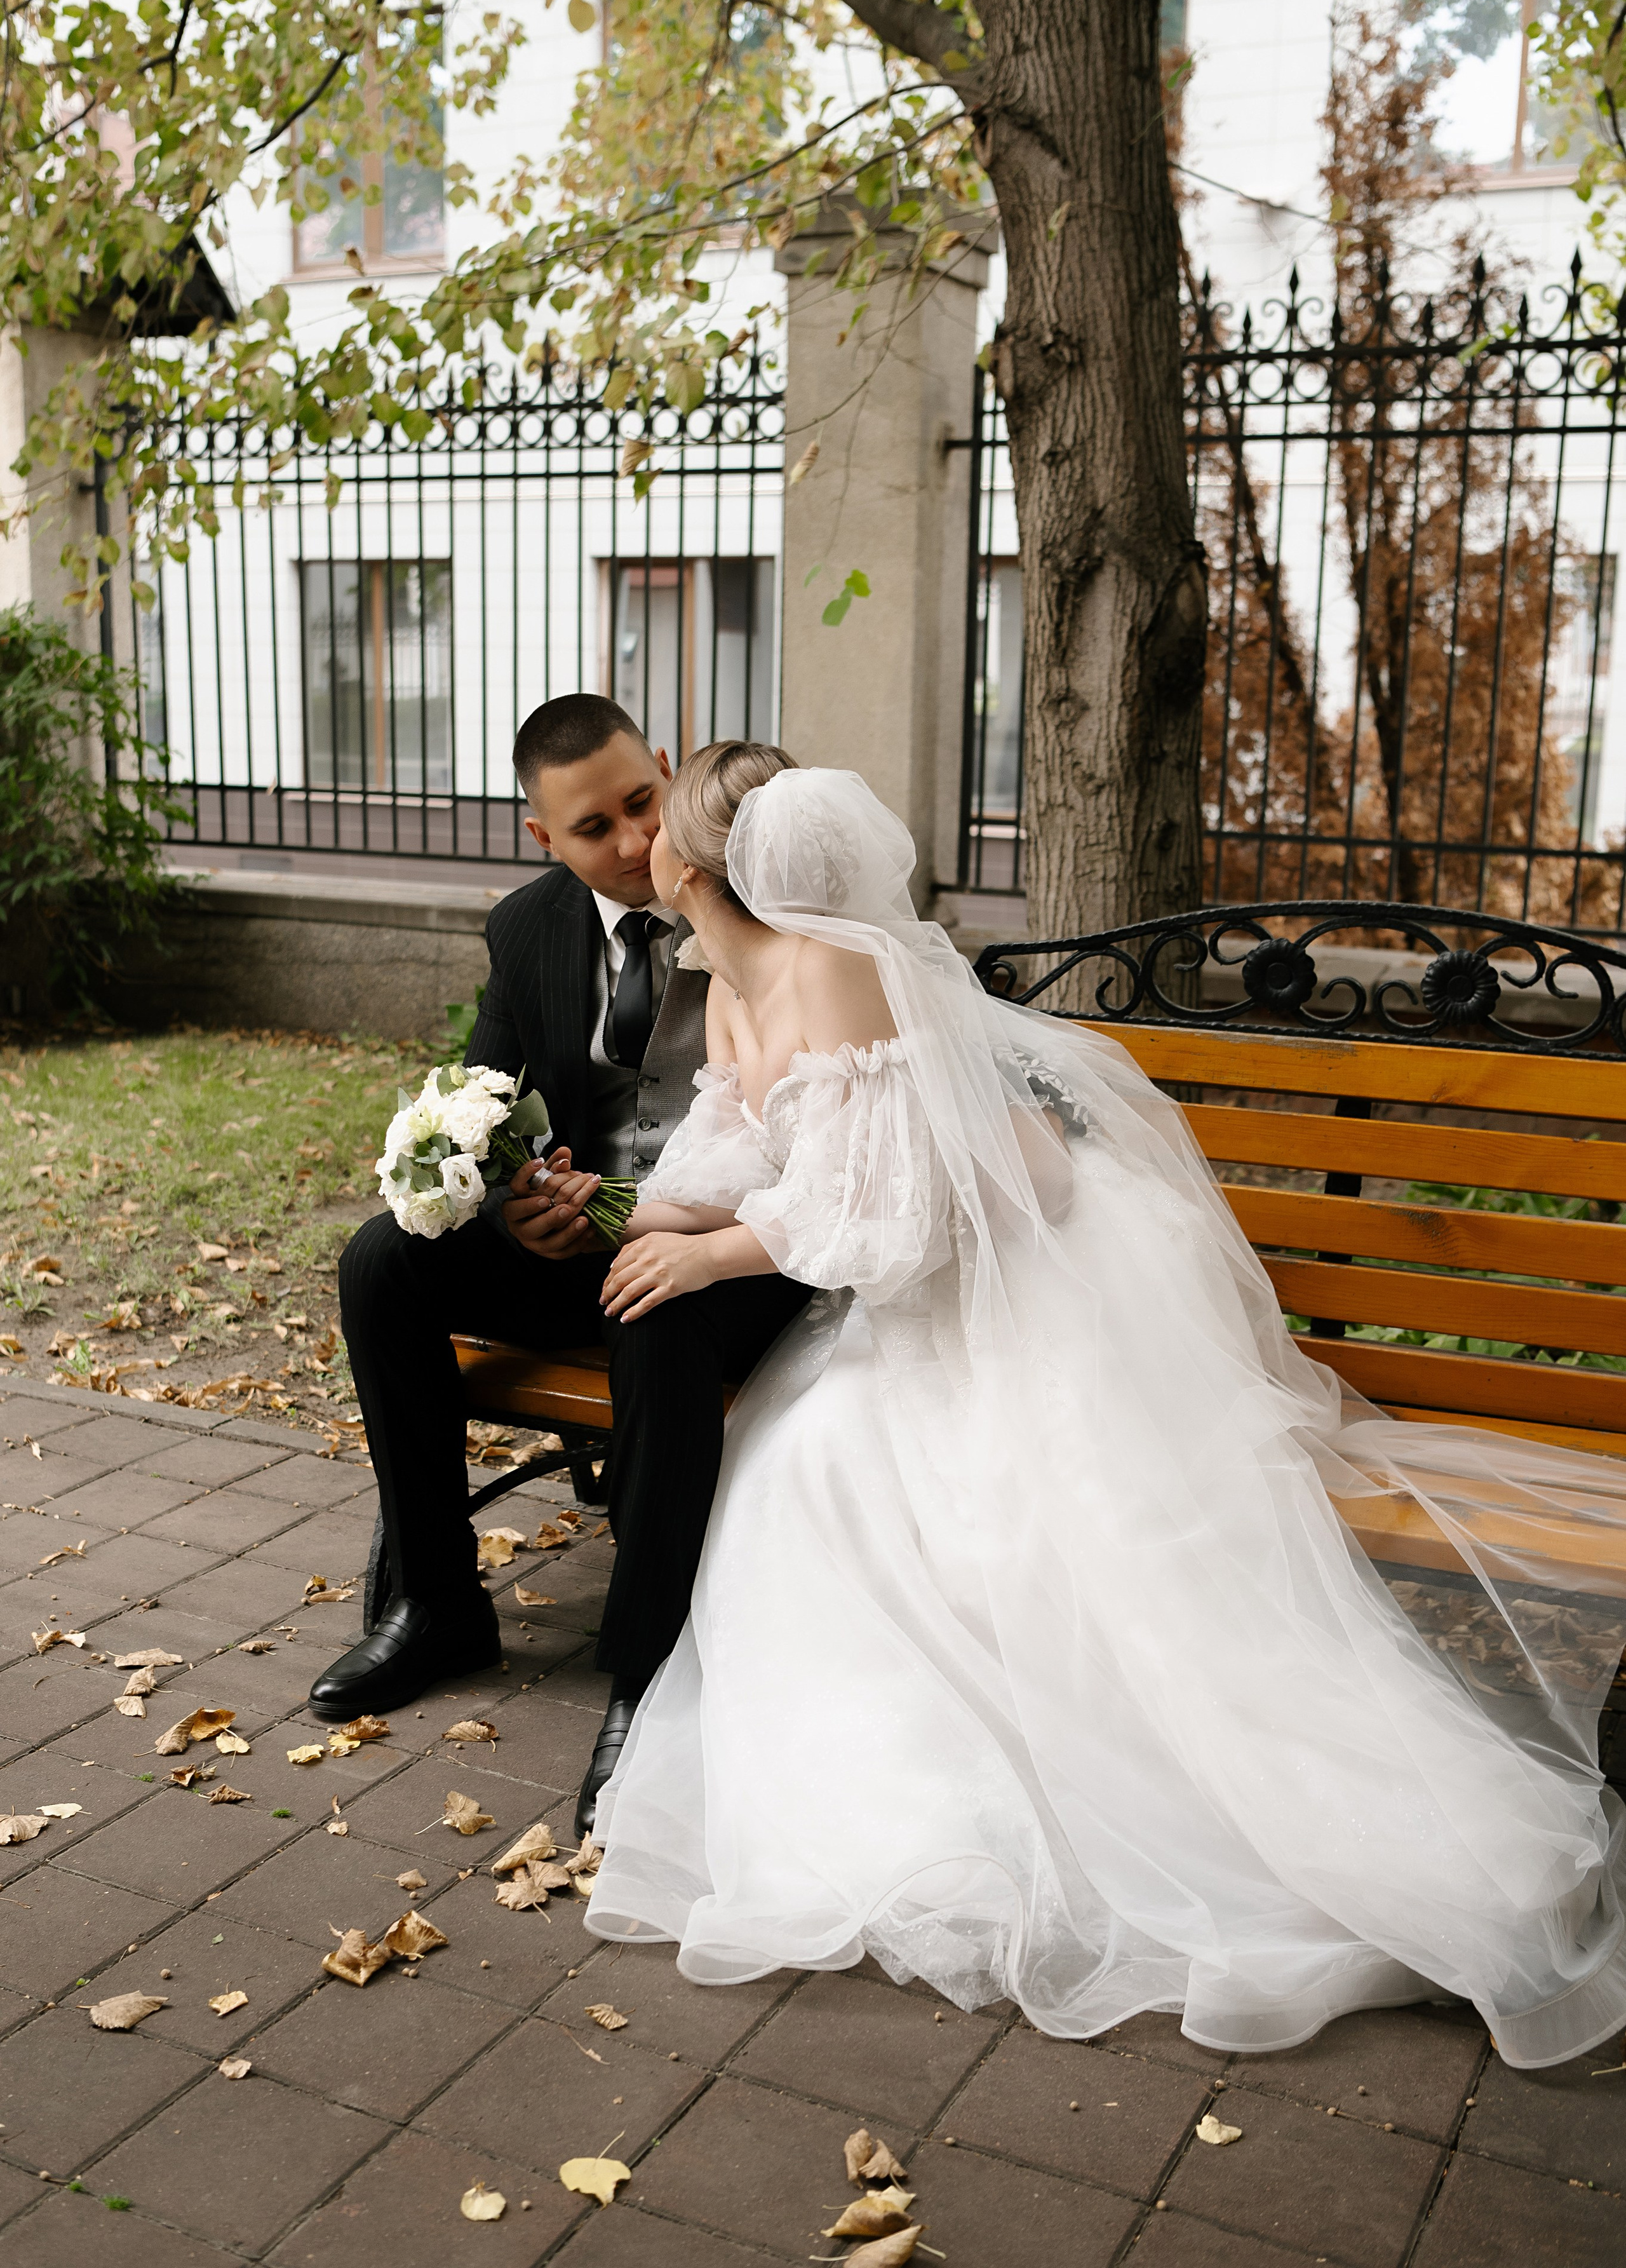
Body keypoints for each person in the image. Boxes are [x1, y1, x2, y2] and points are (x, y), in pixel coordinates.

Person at [585, 746, 1626, 2070]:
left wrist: (712, 1255)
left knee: (876, 1479)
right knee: (800, 1462)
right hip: (897, 1284)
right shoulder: (733, 983)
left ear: (692, 865)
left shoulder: (841, 964)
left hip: (991, 1282)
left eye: (658, 832)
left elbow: (898, 1212)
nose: (647, 851)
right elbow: (742, 1151)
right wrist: (632, 1211)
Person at [309, 701, 810, 1839]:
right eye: (596, 828)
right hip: (589, 1236)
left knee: (659, 1304)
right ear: (545, 838)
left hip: (743, 1246)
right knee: (383, 1261)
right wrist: (516, 1208)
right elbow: (482, 1109)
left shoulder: (770, 900)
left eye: (644, 803)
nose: (633, 842)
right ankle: (438, 1603)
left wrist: (674, 1240)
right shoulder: (528, 928)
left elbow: (834, 1141)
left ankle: (643, 1675)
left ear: (671, 774)